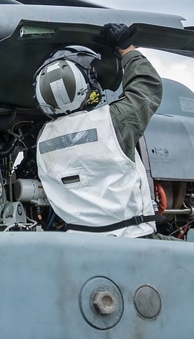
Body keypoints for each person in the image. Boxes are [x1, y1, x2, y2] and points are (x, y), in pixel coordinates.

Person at [34, 23, 164, 237]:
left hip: (80, 243)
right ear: (87, 86)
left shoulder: (43, 138)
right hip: (132, 237)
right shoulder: (112, 121)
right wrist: (127, 50)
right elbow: (147, 86)